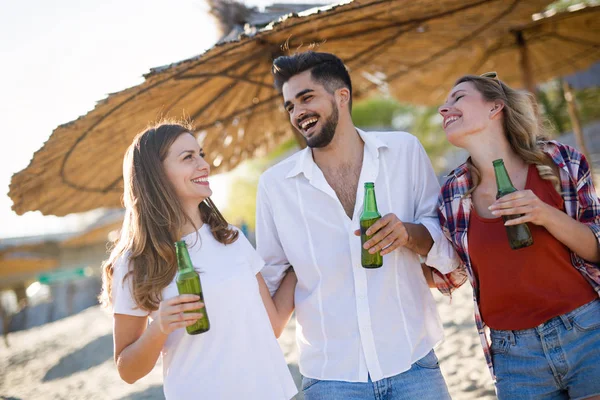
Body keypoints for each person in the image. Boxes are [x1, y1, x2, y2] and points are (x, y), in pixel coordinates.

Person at [255, 51, 459, 400]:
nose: (297, 112)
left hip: (412, 360)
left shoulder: (404, 151)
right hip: (330, 376)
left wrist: (408, 234)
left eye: (306, 98)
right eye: (289, 106)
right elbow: (271, 279)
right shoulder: (275, 186)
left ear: (342, 96)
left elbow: (445, 240)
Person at [99, 121, 298, 400]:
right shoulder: (135, 262)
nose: (204, 164)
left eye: (201, 154)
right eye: (188, 158)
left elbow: (273, 325)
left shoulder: (231, 238)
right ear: (156, 175)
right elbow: (128, 371)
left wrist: (300, 259)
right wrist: (160, 328)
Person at [436, 72, 600, 399]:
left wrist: (544, 213)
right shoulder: (451, 193)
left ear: (495, 107)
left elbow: (596, 249)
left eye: (458, 98)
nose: (444, 108)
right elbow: (450, 277)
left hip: (586, 333)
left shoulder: (561, 161)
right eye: (445, 102)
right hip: (514, 353)